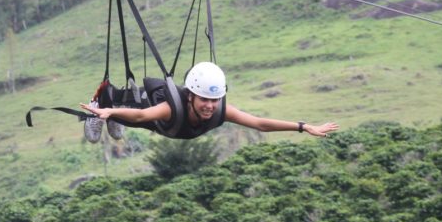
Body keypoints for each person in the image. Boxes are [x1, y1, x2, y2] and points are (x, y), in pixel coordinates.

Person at [80, 62, 339, 141]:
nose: (210, 106)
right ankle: (99, 104)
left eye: (215, 100)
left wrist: (303, 126)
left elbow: (259, 123)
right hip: (155, 115)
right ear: (191, 95)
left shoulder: (220, 111)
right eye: (204, 99)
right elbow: (142, 118)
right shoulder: (173, 106)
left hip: (169, 126)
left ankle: (110, 111)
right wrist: (108, 112)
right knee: (135, 111)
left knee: (135, 117)